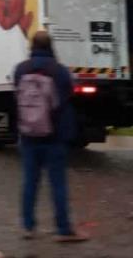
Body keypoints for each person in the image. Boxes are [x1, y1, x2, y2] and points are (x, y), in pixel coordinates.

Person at [13, 31, 88, 243]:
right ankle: (63, 229)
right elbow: (67, 95)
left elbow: (16, 94)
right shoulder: (59, 71)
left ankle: (28, 227)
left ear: (32, 46)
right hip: (54, 136)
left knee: (29, 182)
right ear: (51, 46)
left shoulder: (20, 70)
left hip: (28, 136)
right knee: (57, 184)